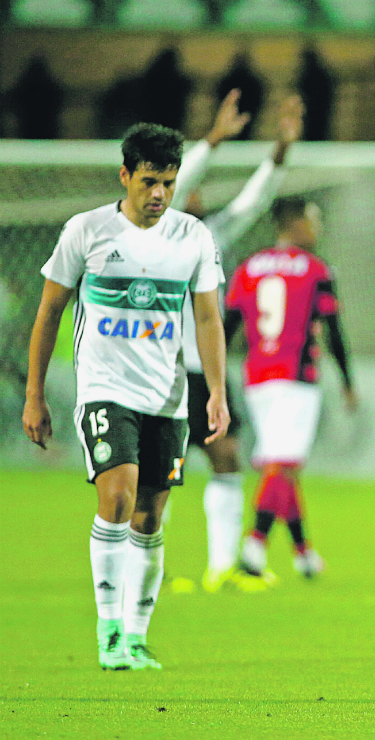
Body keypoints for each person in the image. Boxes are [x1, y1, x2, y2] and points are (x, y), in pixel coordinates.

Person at [22, 123, 230, 670]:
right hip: (104, 390)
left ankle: (137, 636)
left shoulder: (193, 238)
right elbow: (48, 312)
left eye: (167, 182)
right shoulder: (86, 232)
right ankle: (108, 632)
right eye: (148, 182)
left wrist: (217, 392)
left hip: (166, 395)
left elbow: (207, 317)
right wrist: (34, 394)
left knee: (149, 517)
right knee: (117, 497)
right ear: (125, 176)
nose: (159, 194)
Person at [171, 91, 304, 593]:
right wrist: (211, 142)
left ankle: (220, 566)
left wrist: (280, 152)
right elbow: (179, 184)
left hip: (202, 371)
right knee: (153, 471)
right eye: (191, 190)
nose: (197, 196)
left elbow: (254, 201)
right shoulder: (155, 232)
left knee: (225, 457)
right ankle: (145, 567)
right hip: (161, 369)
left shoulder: (210, 237)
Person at [224, 196, 356, 580]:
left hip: (257, 379)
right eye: (312, 220)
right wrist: (348, 380)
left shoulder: (249, 267)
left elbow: (228, 323)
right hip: (296, 379)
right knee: (283, 464)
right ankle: (254, 546)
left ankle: (303, 554)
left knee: (282, 467)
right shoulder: (315, 270)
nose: (316, 228)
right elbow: (333, 329)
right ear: (295, 224)